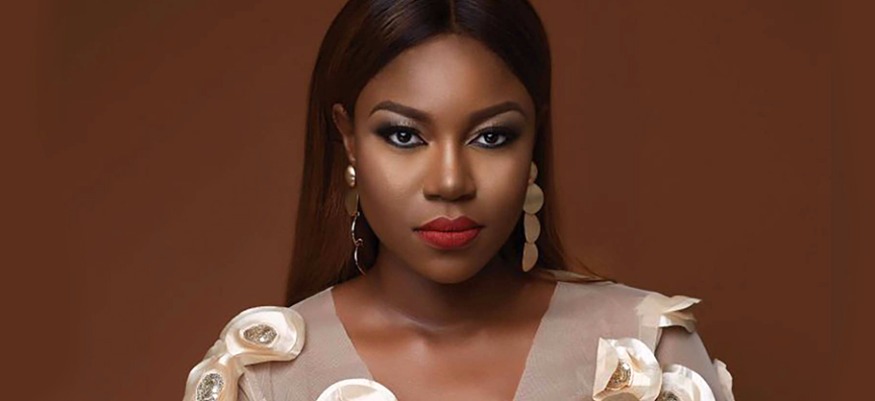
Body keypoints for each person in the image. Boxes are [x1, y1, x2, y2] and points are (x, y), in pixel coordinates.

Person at [183, 1, 736, 400]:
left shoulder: (648, 353)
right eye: (404, 135)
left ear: (533, 140)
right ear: (348, 138)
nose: (450, 181)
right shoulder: (262, 377)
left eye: (492, 137)